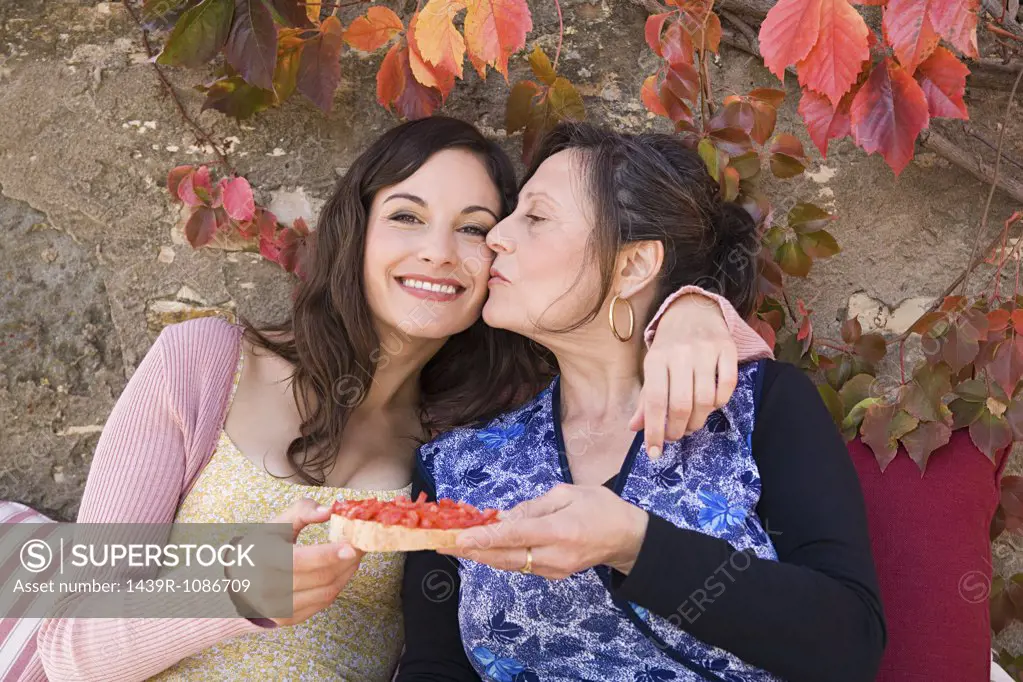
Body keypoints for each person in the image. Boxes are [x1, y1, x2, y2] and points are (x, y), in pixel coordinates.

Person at [33, 117, 771, 681]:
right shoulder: (205, 365)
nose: (439, 253)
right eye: (407, 216)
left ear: (503, 258)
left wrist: (692, 311)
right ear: (357, 230)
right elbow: (65, 645)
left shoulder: (475, 440)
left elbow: (623, 354)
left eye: (476, 230)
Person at [399, 123, 886, 682]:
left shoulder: (754, 410)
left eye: (534, 217)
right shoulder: (458, 465)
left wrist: (635, 544)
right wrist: (271, 588)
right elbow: (434, 666)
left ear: (632, 266)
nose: (495, 238)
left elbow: (851, 642)